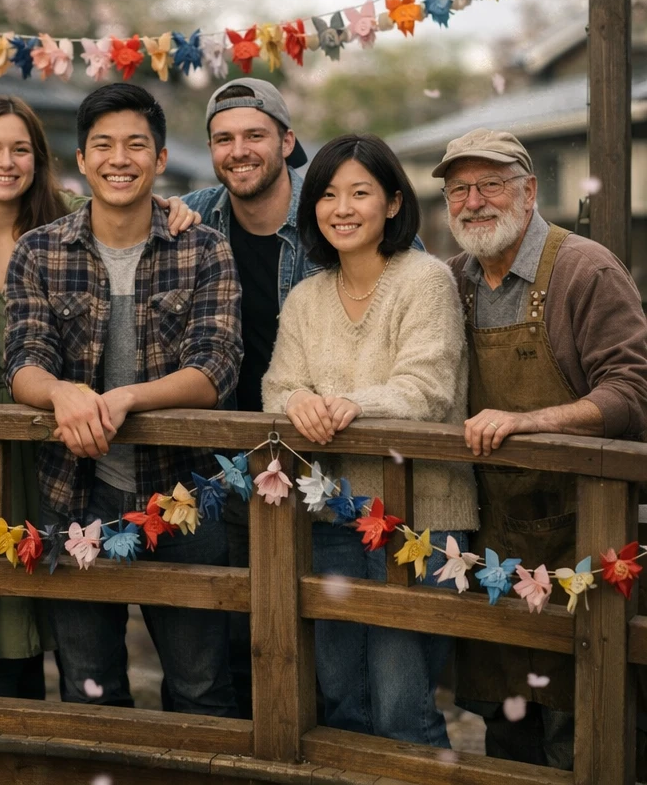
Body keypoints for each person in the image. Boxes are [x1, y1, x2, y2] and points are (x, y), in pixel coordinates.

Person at [0, 94, 200, 699]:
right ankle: (8, 734)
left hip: (69, 439)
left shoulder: (68, 218)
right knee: (4, 606)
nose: (7, 162)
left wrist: (173, 207)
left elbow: (126, 201)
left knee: (78, 621)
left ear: (44, 159)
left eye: (21, 149)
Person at [4, 82, 243, 716]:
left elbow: (214, 370)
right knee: (89, 690)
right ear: (80, 161)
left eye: (136, 144)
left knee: (202, 689)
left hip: (183, 496)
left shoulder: (202, 248)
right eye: (102, 145)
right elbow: (22, 362)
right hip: (73, 494)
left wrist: (123, 398)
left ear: (161, 159)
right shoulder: (41, 251)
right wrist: (61, 392)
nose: (120, 158)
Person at [436, 129, 647, 769]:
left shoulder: (586, 270)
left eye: (490, 184)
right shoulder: (453, 281)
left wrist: (531, 422)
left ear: (529, 192)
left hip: (583, 541)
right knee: (505, 728)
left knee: (580, 728)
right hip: (494, 543)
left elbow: (631, 394)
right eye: (457, 190)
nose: (473, 202)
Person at [261, 133, 478, 748]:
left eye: (360, 192)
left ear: (391, 203)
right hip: (331, 518)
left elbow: (427, 390)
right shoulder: (305, 297)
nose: (342, 208)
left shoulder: (425, 280)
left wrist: (351, 404)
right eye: (328, 194)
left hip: (418, 520)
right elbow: (277, 388)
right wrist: (299, 401)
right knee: (340, 702)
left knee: (402, 706)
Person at [182, 78, 310, 716]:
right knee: (238, 634)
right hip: (229, 466)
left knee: (322, 634)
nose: (240, 150)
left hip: (324, 456)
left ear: (287, 141)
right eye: (224, 138)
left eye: (255, 135)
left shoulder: (335, 207)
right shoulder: (193, 215)